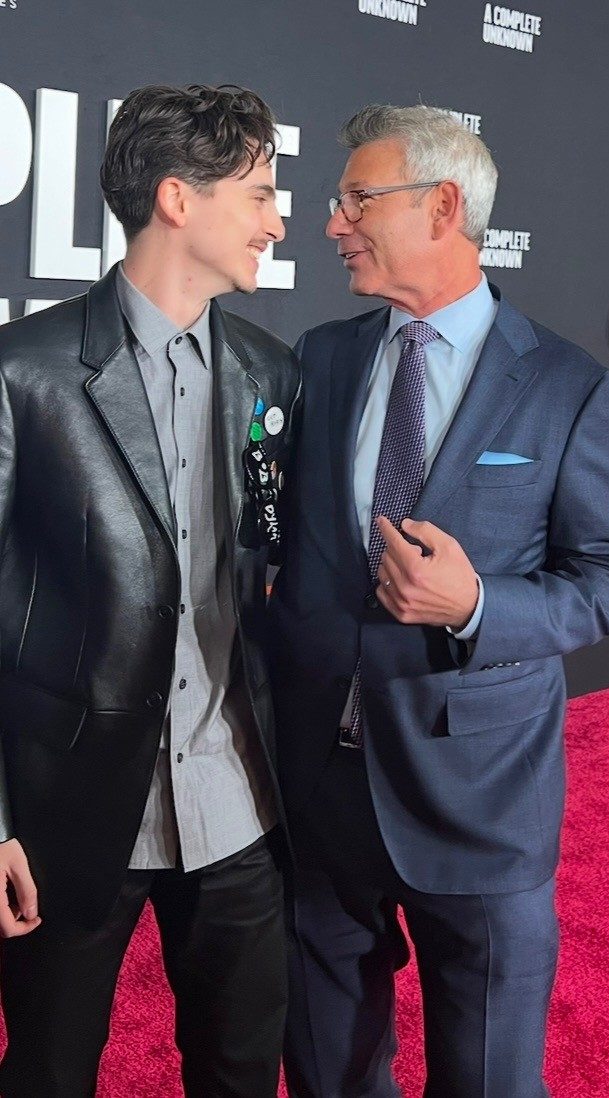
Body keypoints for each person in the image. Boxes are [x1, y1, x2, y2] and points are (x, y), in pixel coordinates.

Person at [268, 104, 609, 1097]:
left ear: (444, 207)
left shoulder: (568, 386)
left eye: (354, 200)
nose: (331, 223)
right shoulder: (324, 357)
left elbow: (599, 585)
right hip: (323, 794)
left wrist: (474, 604)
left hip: (480, 802)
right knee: (329, 1072)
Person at [0, 83, 300, 1097]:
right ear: (179, 198)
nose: (279, 218)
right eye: (260, 192)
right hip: (69, 816)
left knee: (242, 1073)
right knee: (47, 1072)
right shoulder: (23, 371)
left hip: (241, 812)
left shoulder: (271, 374)